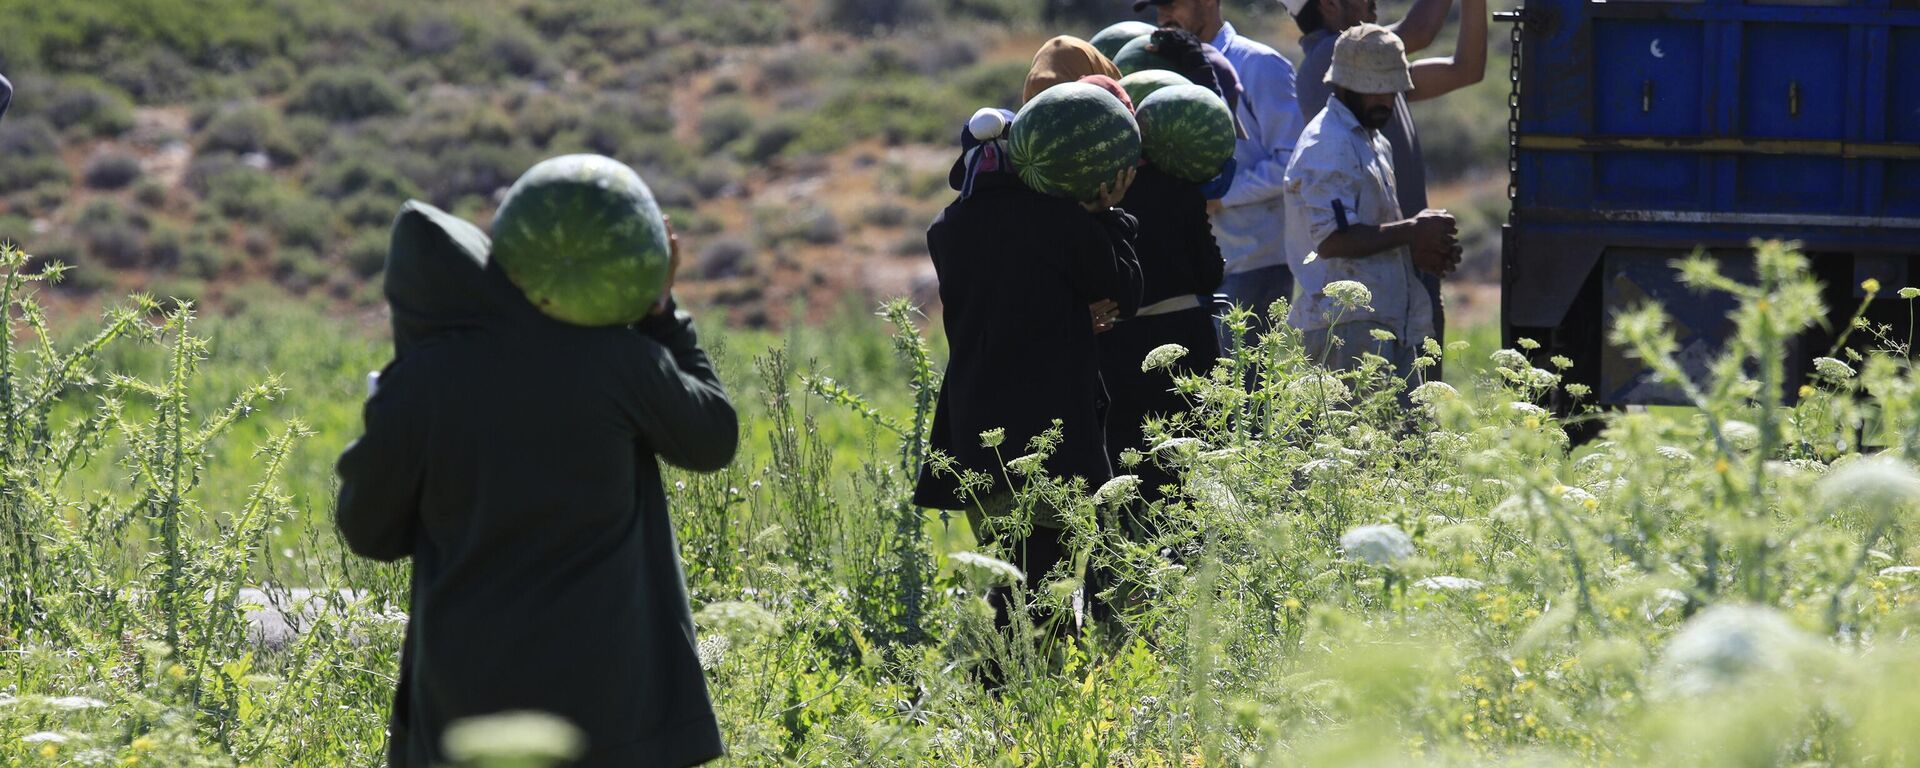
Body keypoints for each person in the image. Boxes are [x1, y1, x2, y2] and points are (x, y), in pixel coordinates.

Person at [335, 201, 737, 767]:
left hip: (468, 709)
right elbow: (712, 439)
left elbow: (368, 532)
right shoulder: (614, 356)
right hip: (619, 705)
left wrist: (386, 418)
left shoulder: (420, 384)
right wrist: (659, 312)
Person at [912, 91, 1142, 642]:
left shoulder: (946, 230)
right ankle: (1011, 695)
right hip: (1050, 431)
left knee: (1014, 575)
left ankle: (1002, 698)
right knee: (1053, 585)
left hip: (976, 432)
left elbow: (1009, 301)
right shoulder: (1061, 221)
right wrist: (1104, 215)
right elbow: (1123, 293)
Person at [1289, 0, 1488, 364]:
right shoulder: (1336, 56)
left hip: (1395, 290)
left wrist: (1422, 239)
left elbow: (1466, 69)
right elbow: (1421, 31)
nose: (1374, 3)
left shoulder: (1371, 119)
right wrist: (1414, 232)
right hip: (1355, 310)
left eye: (1391, 85)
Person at [1137, 0, 1308, 344]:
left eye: (1172, 6)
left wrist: (1222, 196)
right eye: (1157, 10)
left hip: (1253, 262)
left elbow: (1294, 161)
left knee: (1240, 389)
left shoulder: (1259, 65)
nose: (1163, 19)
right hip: (1191, 268)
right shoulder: (1162, 71)